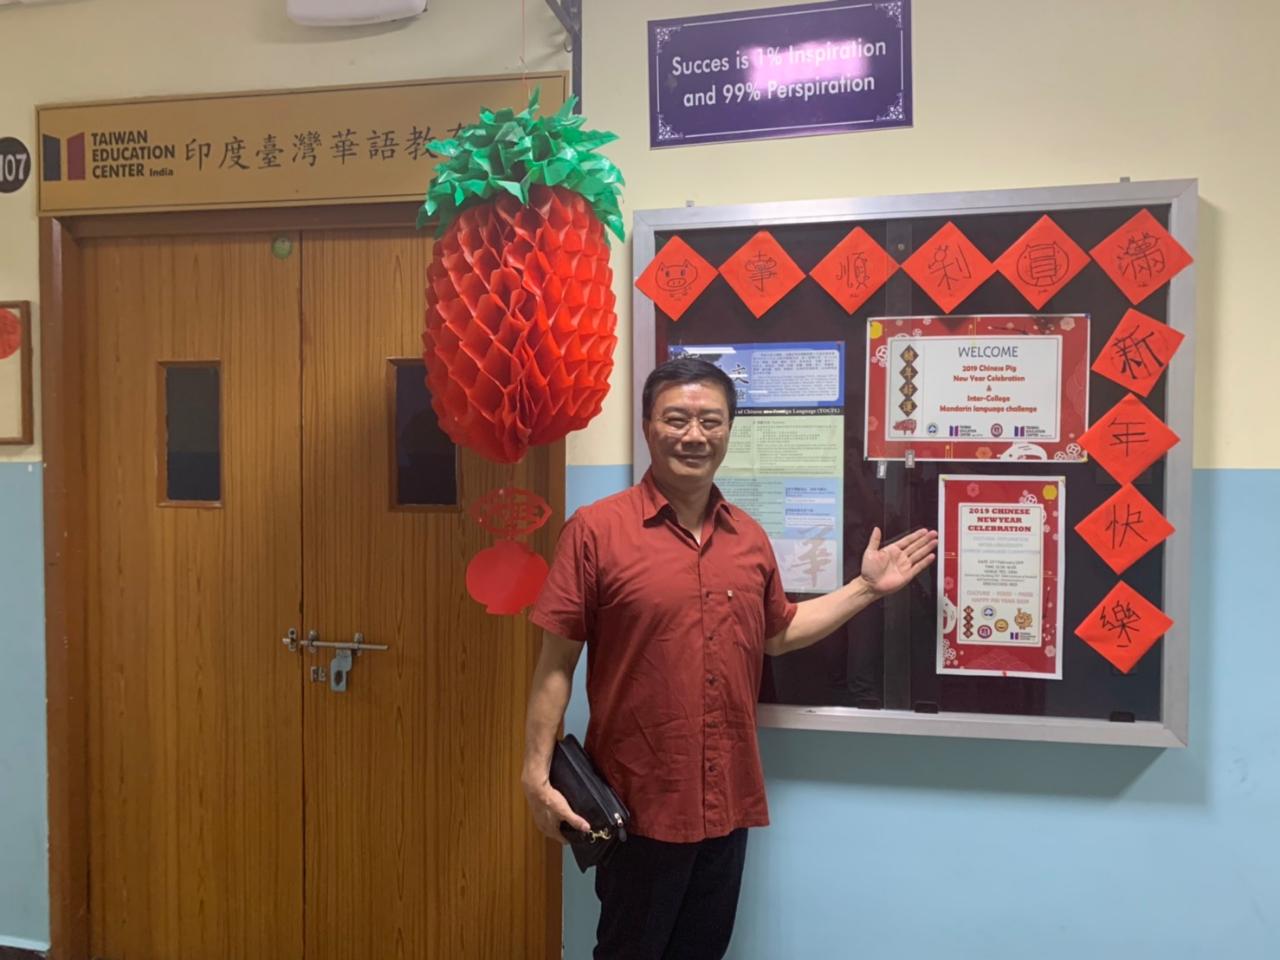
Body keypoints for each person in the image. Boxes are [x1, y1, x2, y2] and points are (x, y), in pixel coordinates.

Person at [522, 358, 937, 960]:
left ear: (728, 430)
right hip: (638, 801)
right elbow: (556, 663)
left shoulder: (749, 538)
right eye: (677, 419)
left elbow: (779, 633)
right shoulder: (595, 531)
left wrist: (866, 588)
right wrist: (536, 775)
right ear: (647, 427)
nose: (694, 435)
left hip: (727, 802)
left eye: (710, 421)